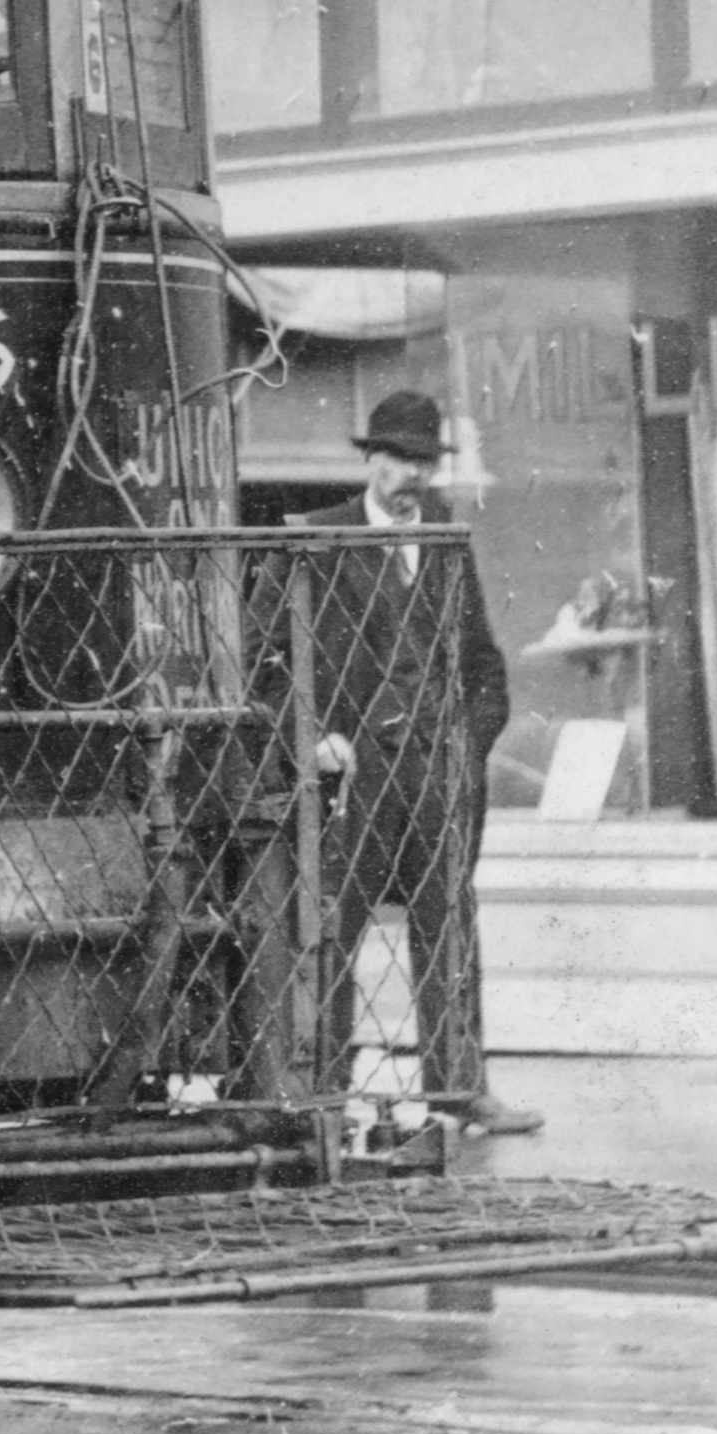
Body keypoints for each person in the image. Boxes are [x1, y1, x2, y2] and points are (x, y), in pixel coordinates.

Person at [293, 389, 516, 1127]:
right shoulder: (320, 538)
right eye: (399, 459)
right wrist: (315, 736)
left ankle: (461, 1088)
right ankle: (323, 1095)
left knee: (449, 923)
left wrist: (467, 748)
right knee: (332, 927)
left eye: (424, 461)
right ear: (372, 460)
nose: (412, 475)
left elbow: (484, 664)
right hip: (351, 775)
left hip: (435, 774)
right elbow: (269, 656)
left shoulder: (448, 543)